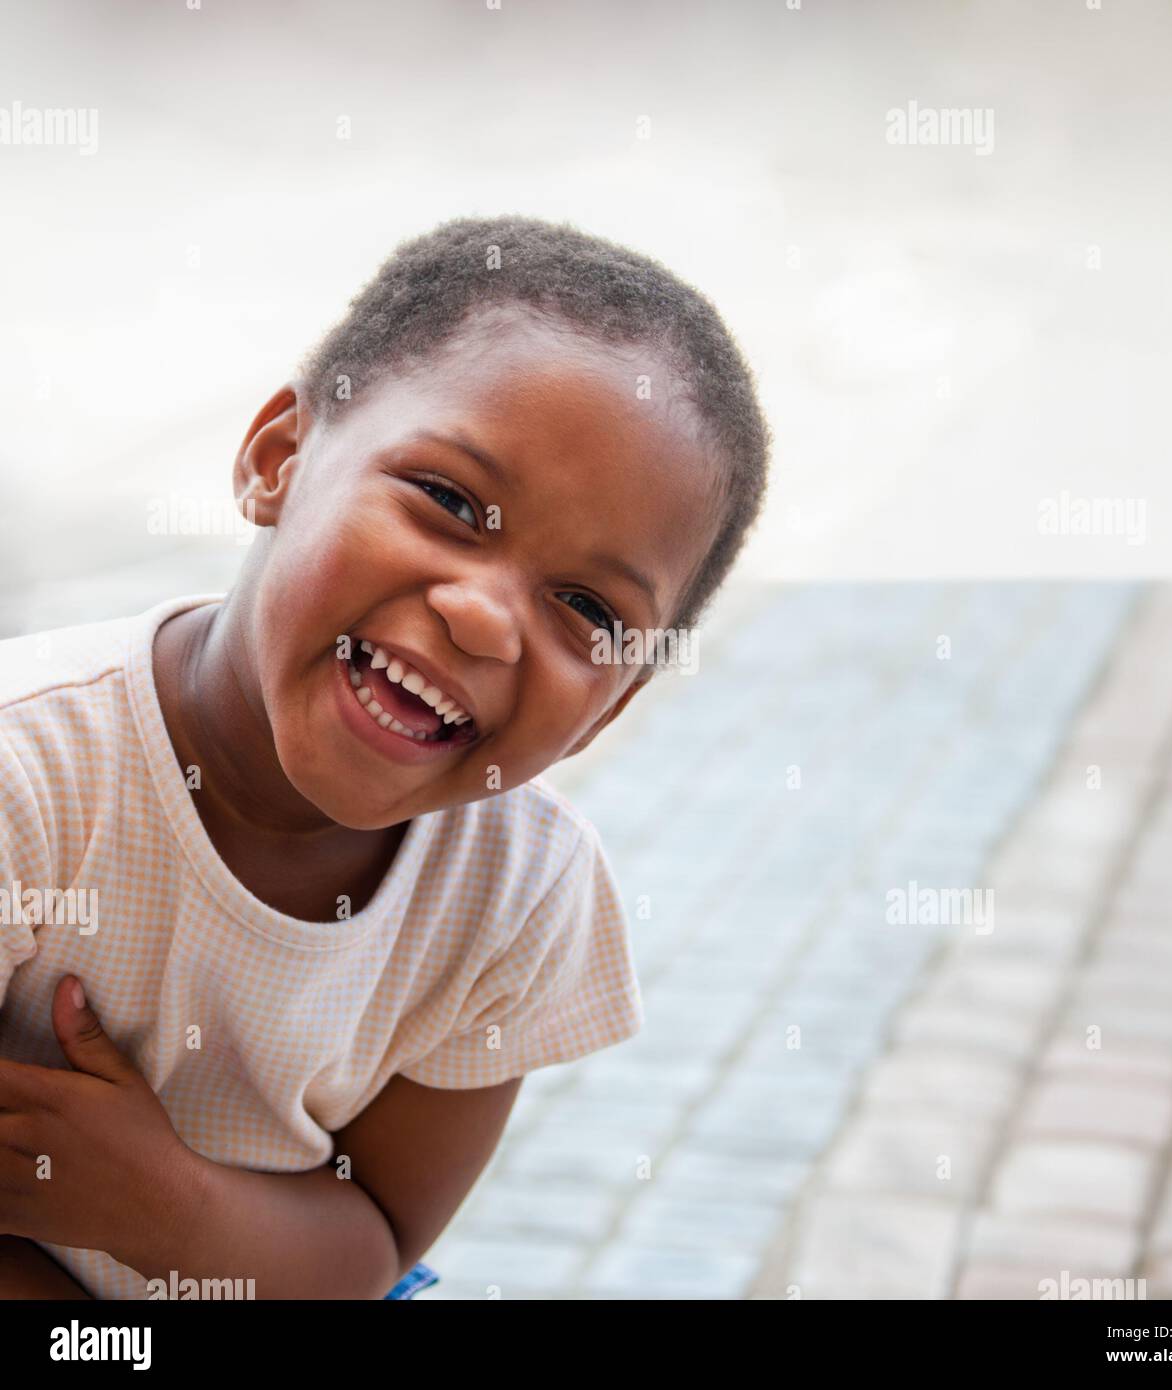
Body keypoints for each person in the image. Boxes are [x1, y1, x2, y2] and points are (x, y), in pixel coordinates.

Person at [0, 215, 770, 1298]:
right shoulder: (30, 772)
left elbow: (372, 1246)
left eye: (587, 610)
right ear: (278, 461)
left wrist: (168, 1204)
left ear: (609, 708)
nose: (487, 621)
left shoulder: (522, 893)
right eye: (450, 502)